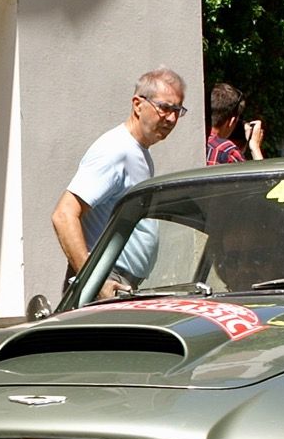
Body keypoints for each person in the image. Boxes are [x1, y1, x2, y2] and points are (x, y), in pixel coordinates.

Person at [52, 67, 187, 294]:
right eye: (164, 108)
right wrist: (94, 281)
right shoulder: (116, 150)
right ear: (137, 105)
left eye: (177, 110)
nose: (172, 118)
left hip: (118, 282)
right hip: (106, 281)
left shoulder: (139, 152)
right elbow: (64, 215)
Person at [205, 83, 264, 165]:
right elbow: (260, 177)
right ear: (232, 121)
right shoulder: (228, 152)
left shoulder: (193, 141)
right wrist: (255, 148)